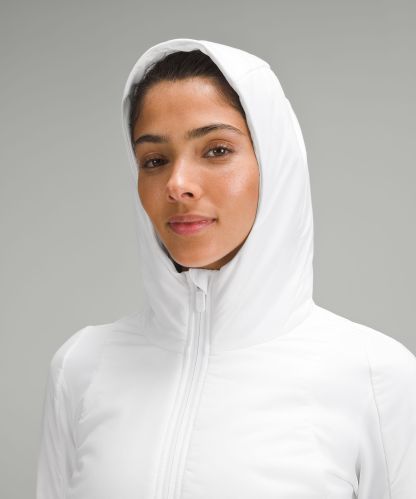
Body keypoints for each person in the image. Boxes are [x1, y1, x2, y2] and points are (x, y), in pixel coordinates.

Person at [36, 38, 416, 499]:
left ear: (274, 162)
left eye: (216, 150)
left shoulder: (376, 377)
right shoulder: (81, 366)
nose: (177, 184)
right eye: (154, 160)